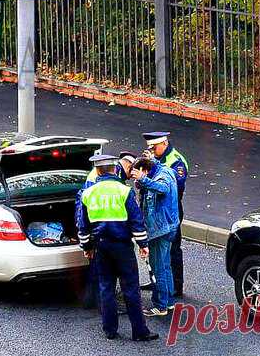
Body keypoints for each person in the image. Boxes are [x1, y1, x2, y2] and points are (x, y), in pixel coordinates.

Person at [77, 155, 158, 341]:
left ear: (97, 171)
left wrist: (87, 247)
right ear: (114, 170)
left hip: (101, 247)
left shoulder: (88, 193)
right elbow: (136, 221)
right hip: (122, 247)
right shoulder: (124, 191)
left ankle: (110, 330)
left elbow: (83, 226)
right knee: (130, 289)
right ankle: (139, 331)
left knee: (106, 288)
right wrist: (143, 244)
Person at [75, 151, 137, 309]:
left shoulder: (105, 177)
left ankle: (101, 309)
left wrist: (86, 243)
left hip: (100, 237)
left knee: (102, 277)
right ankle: (97, 303)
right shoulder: (109, 183)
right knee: (106, 277)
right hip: (111, 237)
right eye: (132, 171)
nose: (132, 176)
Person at [131, 156, 180, 317]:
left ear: (144, 170)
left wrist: (143, 180)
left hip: (161, 230)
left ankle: (160, 306)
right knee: (165, 266)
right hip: (167, 227)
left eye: (137, 175)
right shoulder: (161, 170)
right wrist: (142, 182)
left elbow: (163, 188)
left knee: (158, 267)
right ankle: (169, 301)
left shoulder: (161, 176)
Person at [142, 131, 188, 298]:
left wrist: (154, 166)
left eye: (154, 148)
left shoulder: (176, 160)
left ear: (164, 143)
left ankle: (176, 284)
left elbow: (175, 182)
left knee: (172, 248)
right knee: (154, 246)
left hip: (170, 208)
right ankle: (157, 281)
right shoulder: (157, 158)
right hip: (154, 207)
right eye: (150, 149)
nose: (151, 151)